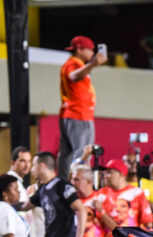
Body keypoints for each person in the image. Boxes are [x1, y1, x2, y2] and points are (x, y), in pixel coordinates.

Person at [58, 35, 107, 179]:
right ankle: (78, 184)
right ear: (79, 49)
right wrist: (93, 64)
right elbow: (74, 77)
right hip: (79, 115)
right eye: (90, 50)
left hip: (73, 115)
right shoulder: (73, 64)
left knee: (67, 154)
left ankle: (64, 182)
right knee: (83, 152)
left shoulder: (76, 64)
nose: (93, 53)